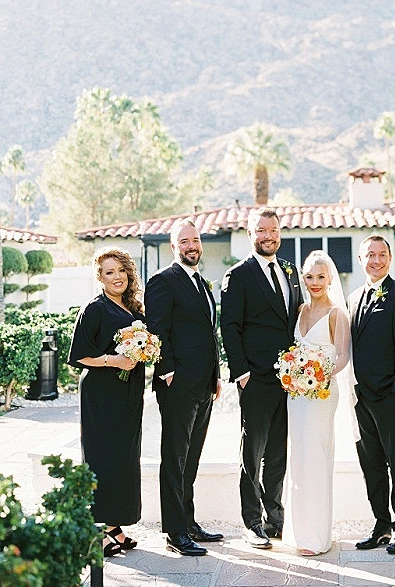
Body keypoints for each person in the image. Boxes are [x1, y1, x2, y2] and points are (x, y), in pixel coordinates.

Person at [220, 208, 303, 549]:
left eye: (273, 230)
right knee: (252, 453)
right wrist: (242, 373)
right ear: (250, 234)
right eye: (261, 230)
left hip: (289, 379)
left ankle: (275, 517)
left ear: (280, 233)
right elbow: (230, 326)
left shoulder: (290, 271)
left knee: (278, 453)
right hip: (255, 378)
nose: (268, 236)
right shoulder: (238, 275)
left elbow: (295, 320)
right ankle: (252, 521)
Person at [145, 218, 223, 557]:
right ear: (174, 246)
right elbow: (157, 329)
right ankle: (175, 533)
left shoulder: (202, 283)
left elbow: (208, 333)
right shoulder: (163, 281)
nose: (192, 246)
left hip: (204, 384)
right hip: (177, 385)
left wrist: (215, 375)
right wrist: (167, 372)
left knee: (191, 458)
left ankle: (189, 523)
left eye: (195, 239)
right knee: (174, 458)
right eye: (185, 241)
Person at [68, 248, 145, 557]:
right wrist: (114, 360)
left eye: (121, 270)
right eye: (109, 272)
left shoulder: (133, 308)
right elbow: (79, 355)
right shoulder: (94, 309)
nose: (117, 277)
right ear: (100, 277)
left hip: (128, 395)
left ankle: (113, 525)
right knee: (102, 459)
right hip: (101, 396)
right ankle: (94, 530)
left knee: (124, 460)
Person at [348, 235, 395, 554]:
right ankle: (381, 524)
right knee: (372, 465)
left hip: (389, 397)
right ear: (360, 260)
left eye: (382, 255)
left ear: (389, 259)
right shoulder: (353, 298)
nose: (376, 260)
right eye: (370, 255)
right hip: (361, 398)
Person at [281, 250, 351, 556]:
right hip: (296, 394)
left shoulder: (337, 314)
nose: (315, 282)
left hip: (321, 393)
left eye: (320, 276)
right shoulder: (300, 310)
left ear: (330, 278)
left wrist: (319, 375)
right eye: (309, 276)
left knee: (317, 457)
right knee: (298, 458)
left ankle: (316, 536)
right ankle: (297, 532)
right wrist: (295, 374)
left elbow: (343, 356)